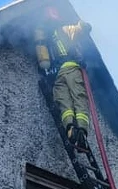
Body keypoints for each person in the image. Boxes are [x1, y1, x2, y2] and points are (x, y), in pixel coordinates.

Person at [34, 6, 94, 152]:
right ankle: (81, 132)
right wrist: (81, 23)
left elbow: (43, 63)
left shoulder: (44, 40)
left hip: (57, 76)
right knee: (79, 98)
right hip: (71, 69)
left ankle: (70, 127)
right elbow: (84, 28)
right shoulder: (65, 29)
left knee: (64, 102)